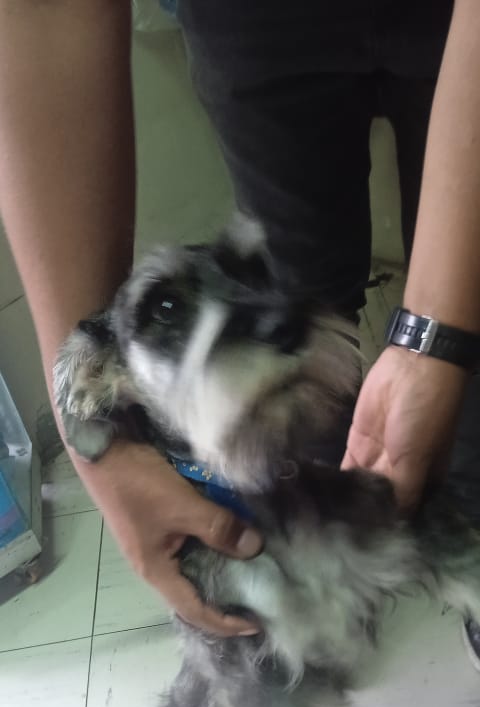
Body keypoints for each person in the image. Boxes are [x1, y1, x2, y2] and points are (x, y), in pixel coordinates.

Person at [1, 0, 480, 655]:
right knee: (303, 271)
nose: (270, 321)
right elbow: (43, 11)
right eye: (168, 311)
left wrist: (436, 340)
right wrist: (93, 446)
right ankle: (324, 542)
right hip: (247, 18)